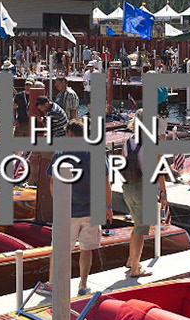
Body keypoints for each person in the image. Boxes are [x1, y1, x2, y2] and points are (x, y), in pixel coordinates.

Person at [46, 120, 113, 295]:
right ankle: (83, 285)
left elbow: (53, 182)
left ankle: (54, 283)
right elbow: (106, 182)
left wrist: (58, 203)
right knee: (86, 249)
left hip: (67, 211)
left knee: (60, 250)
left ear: (69, 134)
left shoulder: (61, 153)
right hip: (92, 210)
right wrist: (108, 206)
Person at [121, 109, 166, 278]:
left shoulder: (128, 142)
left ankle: (131, 260)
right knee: (141, 227)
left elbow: (123, 163)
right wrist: (164, 192)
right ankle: (135, 268)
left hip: (128, 188)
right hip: (144, 188)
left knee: (136, 224)